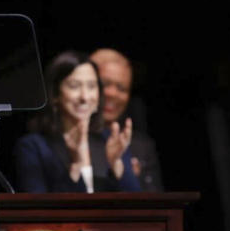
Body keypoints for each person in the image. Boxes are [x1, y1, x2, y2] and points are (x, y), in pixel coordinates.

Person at [15, 51, 141, 193]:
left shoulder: (110, 142)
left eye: (91, 86)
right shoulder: (34, 147)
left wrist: (116, 165)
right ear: (56, 94)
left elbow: (136, 206)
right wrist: (75, 165)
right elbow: (38, 209)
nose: (85, 97)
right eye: (74, 86)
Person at [90, 48, 164, 192]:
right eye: (105, 84)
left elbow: (157, 206)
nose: (112, 93)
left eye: (122, 88)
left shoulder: (141, 147)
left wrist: (127, 175)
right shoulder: (66, 140)